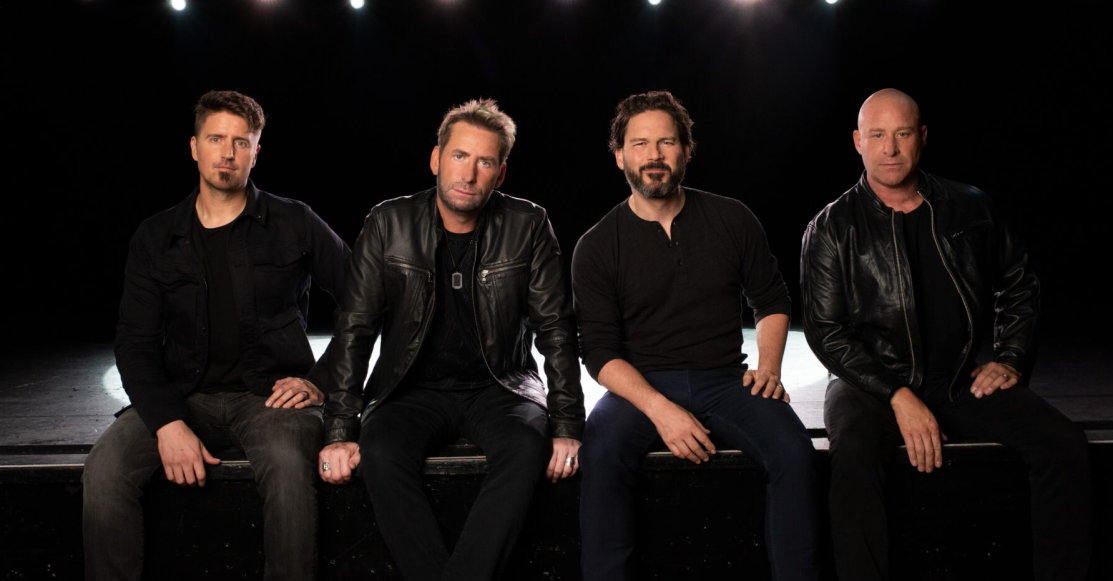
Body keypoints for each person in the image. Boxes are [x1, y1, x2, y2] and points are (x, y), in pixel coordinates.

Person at [801, 88, 1092, 580]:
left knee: (1064, 445)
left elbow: (1019, 283)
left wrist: (1011, 357)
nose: (890, 148)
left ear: (922, 137)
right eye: (877, 135)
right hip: (868, 384)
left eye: (902, 133)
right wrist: (897, 395)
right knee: (851, 458)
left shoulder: (970, 206)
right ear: (858, 141)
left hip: (957, 378)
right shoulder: (831, 227)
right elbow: (828, 333)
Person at [82, 90, 350, 581]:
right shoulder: (155, 236)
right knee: (104, 470)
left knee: (290, 473)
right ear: (194, 147)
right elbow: (135, 344)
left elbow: (364, 301)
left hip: (272, 399)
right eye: (215, 139)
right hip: (182, 396)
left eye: (240, 142)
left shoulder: (294, 221)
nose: (227, 153)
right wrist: (167, 423)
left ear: (255, 152)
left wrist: (322, 380)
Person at [314, 98, 584, 581]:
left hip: (500, 388)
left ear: (500, 173)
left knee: (527, 448)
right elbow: (355, 329)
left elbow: (556, 330)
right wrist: (339, 432)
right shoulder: (388, 223)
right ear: (436, 158)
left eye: (485, 162)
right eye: (459, 156)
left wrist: (567, 425)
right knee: (380, 451)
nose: (469, 173)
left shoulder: (528, 224)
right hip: (410, 389)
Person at [573, 90, 820, 581]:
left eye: (666, 142)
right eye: (640, 144)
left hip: (727, 381)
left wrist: (769, 368)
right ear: (620, 155)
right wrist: (660, 410)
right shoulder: (596, 245)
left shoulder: (732, 218)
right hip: (640, 387)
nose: (654, 155)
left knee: (795, 453)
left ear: (686, 150)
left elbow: (771, 300)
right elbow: (598, 351)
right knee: (599, 454)